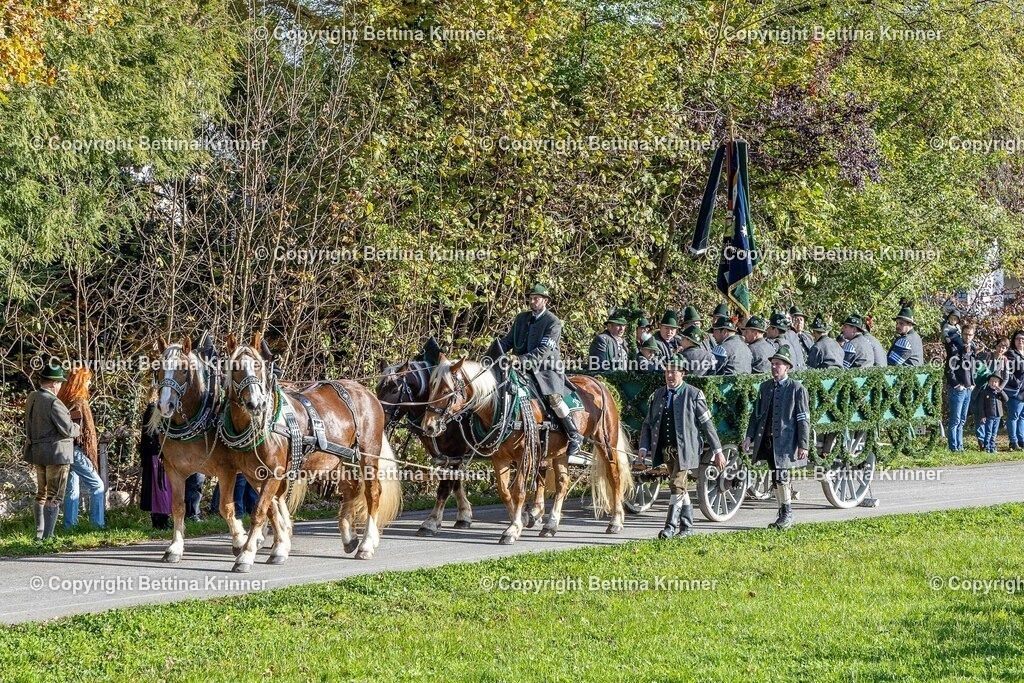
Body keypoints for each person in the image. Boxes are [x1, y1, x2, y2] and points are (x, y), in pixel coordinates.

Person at [636, 354, 726, 539]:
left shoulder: (694, 394)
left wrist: (718, 451)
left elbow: (707, 424)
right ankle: (687, 528)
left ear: (682, 373)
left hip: (687, 451)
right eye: (667, 371)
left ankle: (669, 528)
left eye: (674, 372)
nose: (670, 375)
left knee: (676, 484)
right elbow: (648, 423)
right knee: (681, 487)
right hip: (666, 450)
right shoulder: (658, 394)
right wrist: (644, 447)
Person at [498, 283, 582, 456]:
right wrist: (492, 353)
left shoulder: (553, 322)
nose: (533, 301)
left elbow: (543, 351)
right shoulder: (521, 318)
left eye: (537, 298)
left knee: (553, 398)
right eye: (531, 298)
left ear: (545, 301)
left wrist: (520, 359)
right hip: (520, 366)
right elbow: (507, 341)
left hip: (546, 369)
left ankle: (574, 435)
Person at [743, 346, 810, 530]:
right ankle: (782, 511)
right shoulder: (765, 387)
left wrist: (803, 444)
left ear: (787, 367)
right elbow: (755, 415)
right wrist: (749, 436)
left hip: (787, 441)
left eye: (778, 364)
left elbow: (803, 418)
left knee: (782, 476)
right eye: (772, 364)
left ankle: (787, 513)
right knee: (775, 476)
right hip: (769, 440)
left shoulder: (797, 388)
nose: (774, 367)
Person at [23, 361, 79, 540]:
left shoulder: (32, 397)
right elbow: (68, 430)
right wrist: (77, 427)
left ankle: (38, 535)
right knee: (54, 496)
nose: (60, 386)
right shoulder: (54, 402)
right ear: (53, 383)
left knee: (42, 494)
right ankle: (48, 536)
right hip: (56, 454)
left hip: (37, 452)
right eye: (60, 382)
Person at [58, 367, 105, 529]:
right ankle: (97, 525)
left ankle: (69, 526)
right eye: (88, 379)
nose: (90, 382)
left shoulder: (63, 400)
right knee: (97, 485)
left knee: (72, 489)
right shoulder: (79, 401)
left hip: (64, 449)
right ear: (80, 381)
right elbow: (76, 429)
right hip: (75, 450)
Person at [139, 394, 172, 530]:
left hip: (157, 454)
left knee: (162, 488)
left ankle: (162, 518)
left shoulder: (154, 409)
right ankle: (160, 519)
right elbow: (153, 434)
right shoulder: (154, 409)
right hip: (156, 455)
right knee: (160, 488)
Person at [945, 323, 977, 452]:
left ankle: (960, 446)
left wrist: (973, 383)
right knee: (955, 420)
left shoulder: (972, 349)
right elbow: (949, 370)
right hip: (958, 389)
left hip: (968, 388)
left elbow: (972, 368)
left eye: (970, 335)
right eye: (965, 334)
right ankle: (953, 447)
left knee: (962, 420)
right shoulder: (955, 347)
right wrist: (957, 385)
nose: (967, 337)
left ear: (973, 335)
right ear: (961, 334)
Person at [976, 373, 1009, 454]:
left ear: (998, 384)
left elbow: (1006, 399)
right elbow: (981, 406)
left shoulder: (998, 392)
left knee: (994, 433)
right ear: (988, 382)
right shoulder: (984, 392)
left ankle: (992, 447)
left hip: (997, 415)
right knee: (988, 432)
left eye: (996, 382)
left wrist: (1000, 391)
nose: (993, 383)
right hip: (989, 416)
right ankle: (986, 448)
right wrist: (982, 416)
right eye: (991, 381)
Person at [1005, 330, 1024, 451]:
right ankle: (1013, 441)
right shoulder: (1011, 354)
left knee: (1022, 416)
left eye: (1023, 339)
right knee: (1014, 416)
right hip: (1015, 390)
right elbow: (1007, 372)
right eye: (1018, 338)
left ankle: (1021, 439)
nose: (1021, 341)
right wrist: (1017, 382)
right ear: (1014, 340)